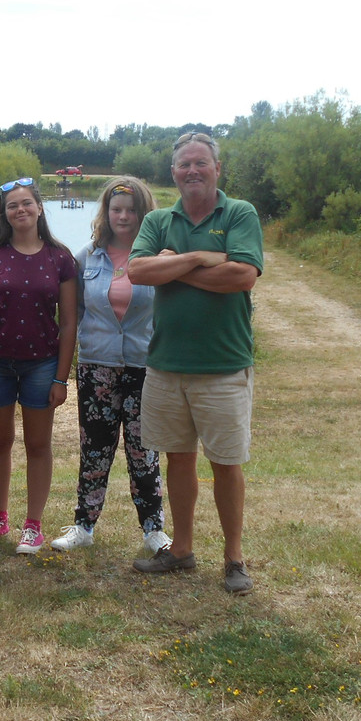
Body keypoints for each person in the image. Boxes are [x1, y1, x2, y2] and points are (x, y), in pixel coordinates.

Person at [128, 132, 263, 595]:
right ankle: (181, 551)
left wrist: (174, 264)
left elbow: (243, 275)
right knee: (178, 459)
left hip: (224, 365)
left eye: (201, 163)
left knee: (226, 462)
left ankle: (234, 558)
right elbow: (138, 271)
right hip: (166, 365)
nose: (192, 171)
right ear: (173, 173)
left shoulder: (240, 213)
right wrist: (201, 258)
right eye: (184, 164)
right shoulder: (159, 219)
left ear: (216, 168)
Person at [50, 177, 173, 555]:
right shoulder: (87, 257)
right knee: (95, 449)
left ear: (144, 213)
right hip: (97, 367)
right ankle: (84, 525)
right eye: (116, 209)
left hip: (145, 366)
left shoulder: (159, 257)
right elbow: (76, 314)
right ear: (105, 213)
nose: (123, 216)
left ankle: (153, 530)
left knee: (144, 451)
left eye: (131, 209)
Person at [0, 177, 78, 555]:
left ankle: (33, 526)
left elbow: (68, 322)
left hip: (41, 364)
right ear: (6, 213)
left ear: (39, 208)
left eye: (26, 203)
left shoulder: (60, 257)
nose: (20, 210)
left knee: (38, 445)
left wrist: (61, 377)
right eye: (13, 205)